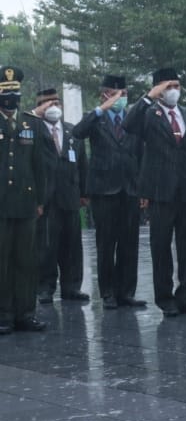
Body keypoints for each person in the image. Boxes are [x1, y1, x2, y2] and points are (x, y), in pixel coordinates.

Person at [124, 67, 186, 317]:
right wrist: (147, 97)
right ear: (158, 90)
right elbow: (128, 125)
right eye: (168, 86)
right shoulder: (148, 115)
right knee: (161, 246)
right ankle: (166, 300)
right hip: (160, 191)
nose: (174, 91)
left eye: (177, 86)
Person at [72, 75, 144, 309]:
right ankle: (108, 293)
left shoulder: (133, 119)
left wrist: (143, 189)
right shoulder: (96, 119)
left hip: (130, 188)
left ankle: (127, 292)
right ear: (104, 95)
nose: (121, 98)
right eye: (116, 94)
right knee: (106, 243)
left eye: (124, 94)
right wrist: (101, 109)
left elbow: (141, 154)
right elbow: (78, 132)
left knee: (129, 242)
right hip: (104, 190)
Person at [0, 66, 47, 334]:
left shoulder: (32, 123)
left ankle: (25, 313)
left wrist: (40, 200)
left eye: (14, 94)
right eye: (5, 94)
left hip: (26, 203)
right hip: (1, 204)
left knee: (26, 260)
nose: (10, 100)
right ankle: (4, 314)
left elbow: (40, 166)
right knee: (2, 260)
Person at [32, 88, 89, 304]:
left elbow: (82, 164)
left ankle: (72, 287)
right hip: (46, 198)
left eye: (56, 102)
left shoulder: (72, 131)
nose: (53, 106)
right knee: (46, 246)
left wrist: (84, 192)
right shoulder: (33, 129)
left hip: (70, 196)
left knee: (72, 245)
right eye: (47, 103)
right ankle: (45, 287)